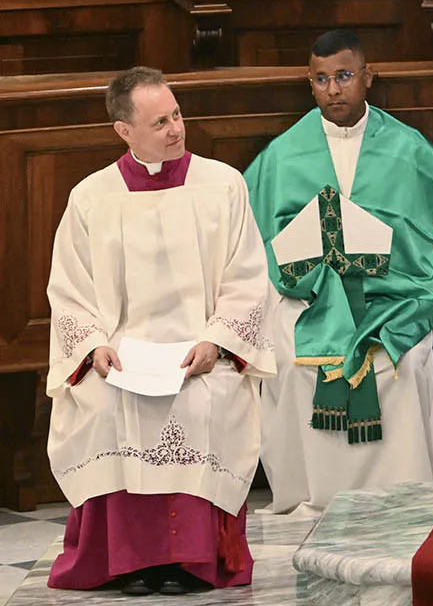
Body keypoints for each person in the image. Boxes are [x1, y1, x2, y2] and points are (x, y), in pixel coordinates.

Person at [46, 67, 274, 595]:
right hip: (122, 356)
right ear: (124, 130)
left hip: (201, 351)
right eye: (159, 122)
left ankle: (190, 562)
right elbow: (69, 291)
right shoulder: (91, 197)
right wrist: (94, 346)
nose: (176, 129)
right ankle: (130, 563)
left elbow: (248, 279)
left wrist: (217, 342)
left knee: (202, 402)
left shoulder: (223, 184)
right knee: (103, 405)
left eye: (177, 115)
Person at [246, 30, 433, 516]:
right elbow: (251, 236)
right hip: (310, 300)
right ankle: (309, 494)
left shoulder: (405, 148)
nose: (334, 89)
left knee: (405, 362)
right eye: (322, 79)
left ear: (367, 78)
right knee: (288, 357)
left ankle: (404, 493)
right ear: (310, 84)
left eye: (344, 76)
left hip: (392, 299)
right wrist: (281, 295)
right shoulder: (283, 156)